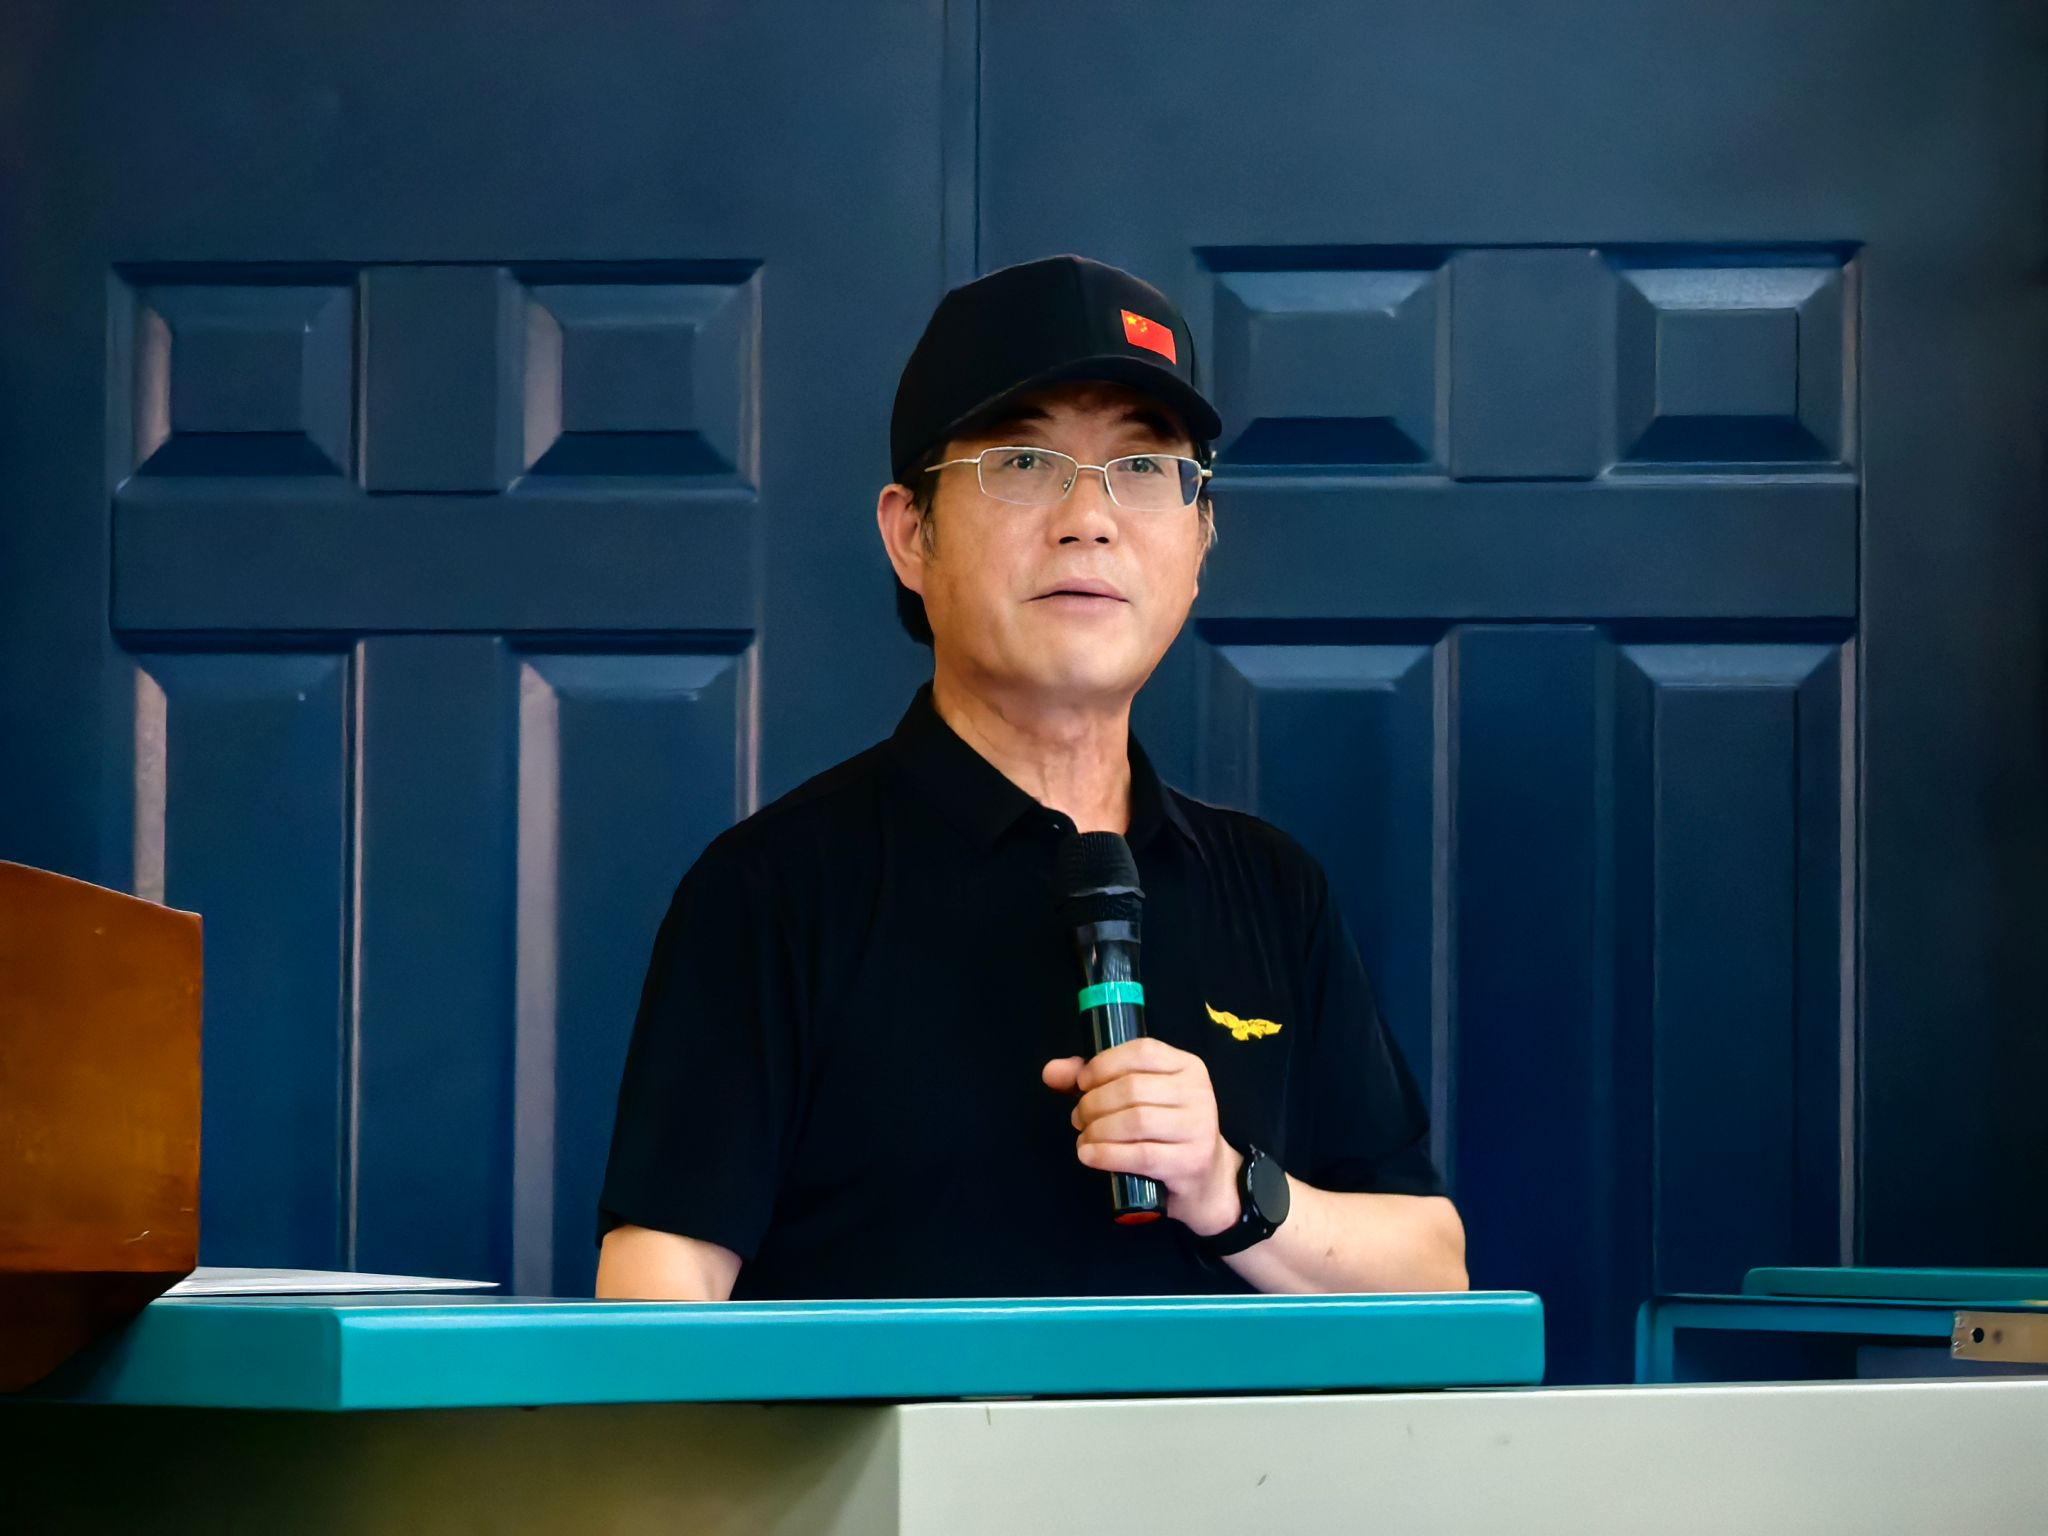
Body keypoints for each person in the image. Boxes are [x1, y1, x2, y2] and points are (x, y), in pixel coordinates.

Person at [596, 255, 1466, 1301]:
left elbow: (1432, 1267)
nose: (1088, 518)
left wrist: (1226, 1184)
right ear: (910, 535)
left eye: (1141, 468)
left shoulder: (1275, 891)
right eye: (1022, 461)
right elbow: (658, 1287)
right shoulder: (773, 891)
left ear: (1199, 542)